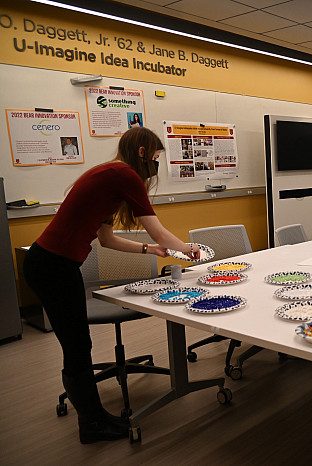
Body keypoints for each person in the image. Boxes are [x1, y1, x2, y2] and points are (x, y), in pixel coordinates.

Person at [23, 127, 200, 444]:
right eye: (156, 157)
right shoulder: (124, 174)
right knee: (77, 347)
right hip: (53, 266)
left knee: (78, 344)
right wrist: (188, 250)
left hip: (52, 264)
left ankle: (95, 416)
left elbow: (106, 240)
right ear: (143, 152)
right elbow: (159, 232)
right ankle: (91, 425)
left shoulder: (109, 176)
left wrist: (151, 250)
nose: (156, 166)